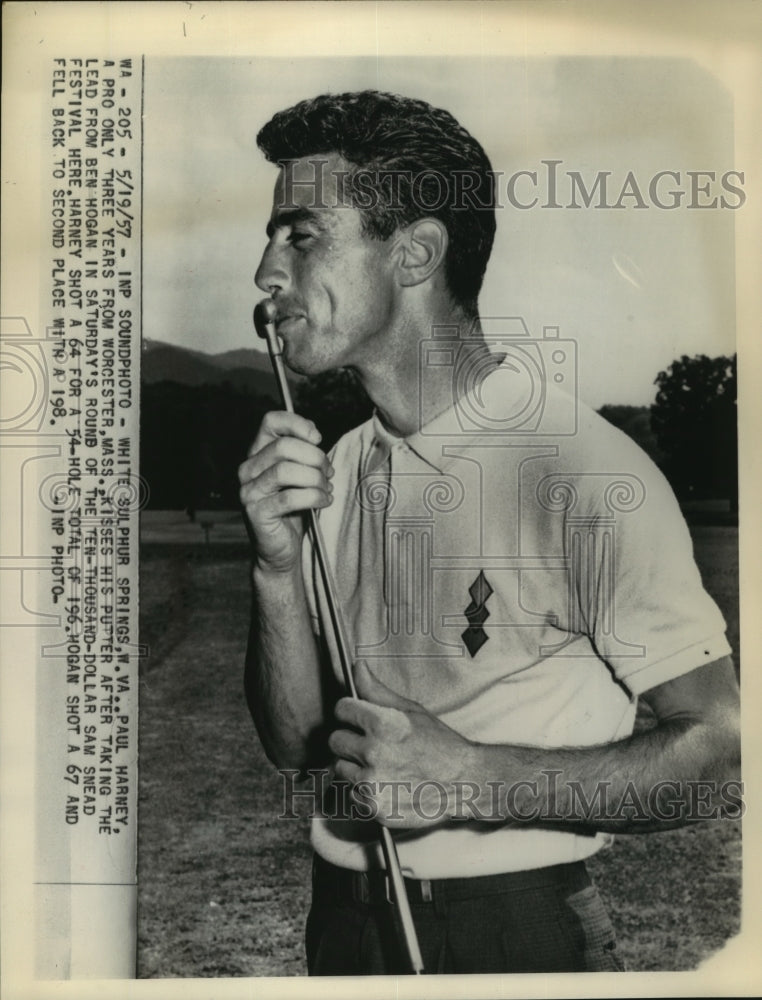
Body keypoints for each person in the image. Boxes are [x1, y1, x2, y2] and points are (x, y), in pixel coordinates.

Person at [238, 91, 740, 975]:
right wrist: (277, 572)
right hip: (341, 928)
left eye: (302, 234)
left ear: (417, 253)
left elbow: (717, 752)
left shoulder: (583, 471)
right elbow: (296, 746)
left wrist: (469, 776)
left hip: (517, 932)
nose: (266, 274)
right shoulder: (341, 468)